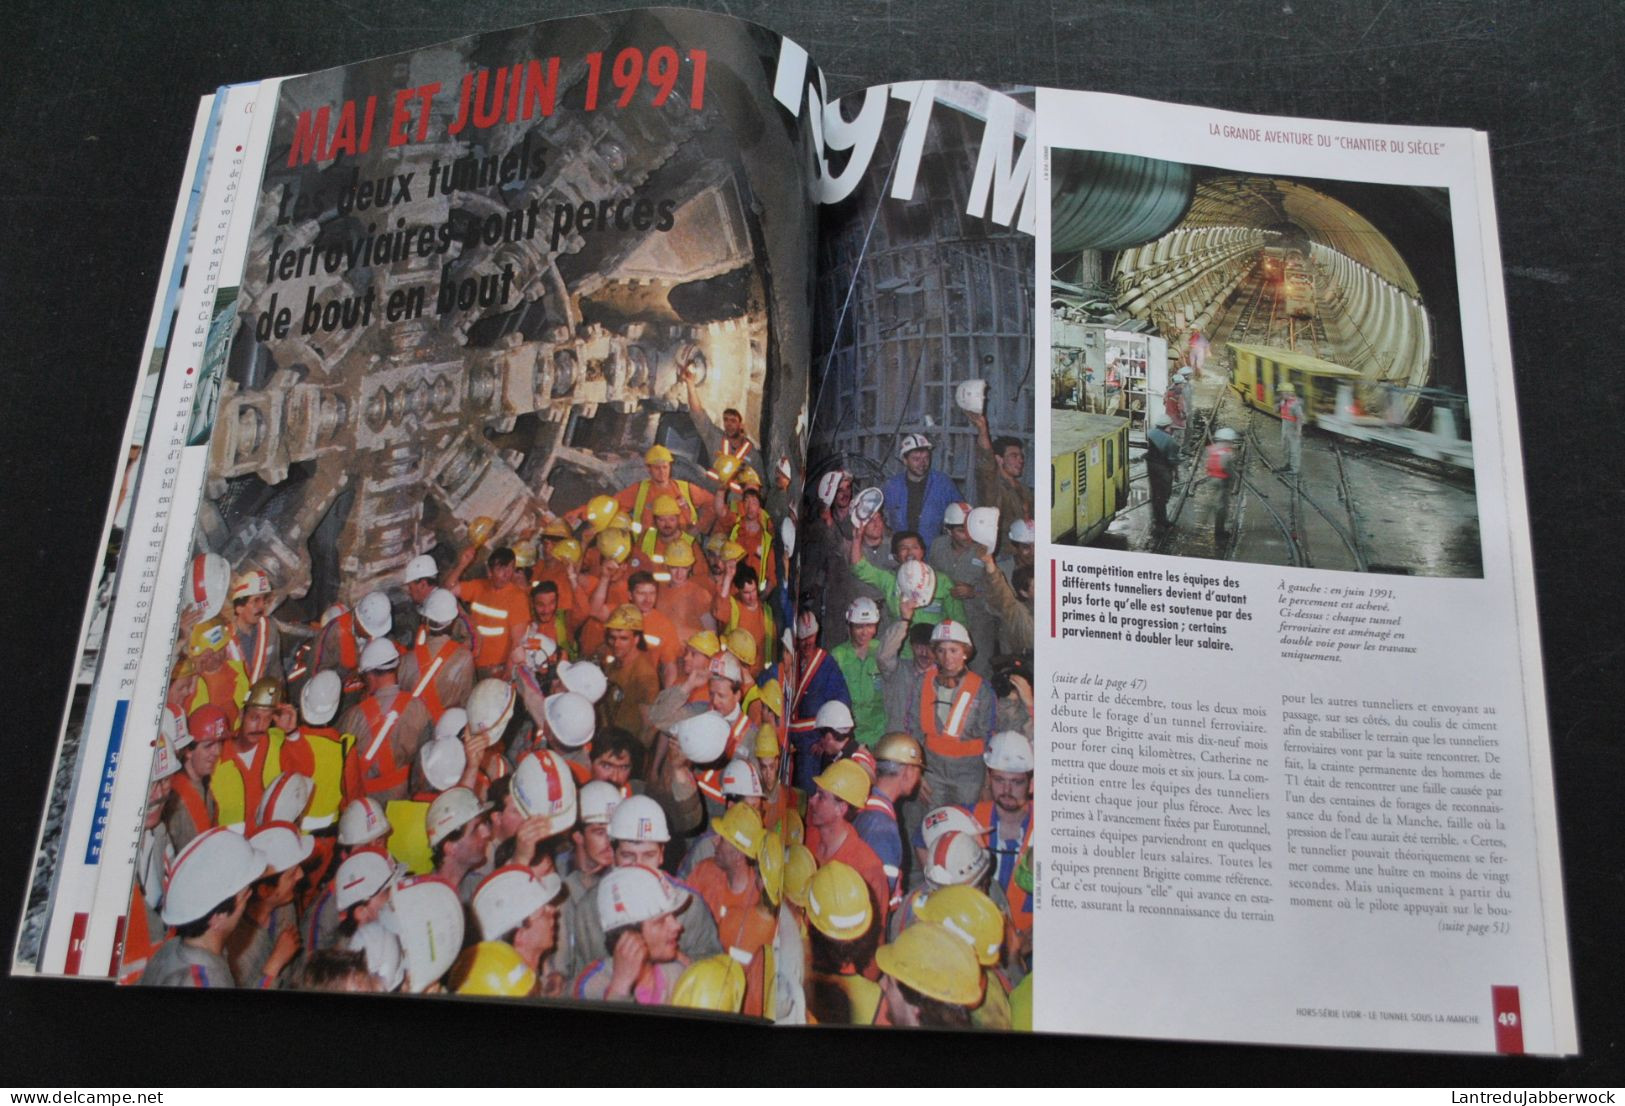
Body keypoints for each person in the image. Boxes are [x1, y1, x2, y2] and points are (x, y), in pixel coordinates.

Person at [574, 865, 692, 1005]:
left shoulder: (677, 973)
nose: (677, 926)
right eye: (660, 921)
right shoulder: (592, 985)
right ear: (629, 937)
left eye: (673, 916)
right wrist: (620, 988)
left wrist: (693, 972)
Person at [446, 545, 531, 679]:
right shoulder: (479, 586)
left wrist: (507, 674)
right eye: (501, 569)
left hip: (497, 668)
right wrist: (462, 564)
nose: (507, 574)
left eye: (510, 568)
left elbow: (517, 642)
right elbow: (448, 590)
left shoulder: (517, 597)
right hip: (473, 664)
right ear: (490, 572)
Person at [882, 433, 963, 546]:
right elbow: (876, 515)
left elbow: (961, 514)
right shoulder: (892, 486)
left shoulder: (943, 483)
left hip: (933, 552)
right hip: (902, 552)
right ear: (905, 460)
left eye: (926, 458)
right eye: (916, 459)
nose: (922, 463)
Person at [829, 597, 885, 748]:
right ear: (850, 626)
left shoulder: (882, 652)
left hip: (880, 734)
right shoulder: (837, 656)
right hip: (849, 735)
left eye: (870, 626)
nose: (864, 632)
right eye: (859, 626)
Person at [228, 570, 282, 683]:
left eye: (264, 600)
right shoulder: (225, 639)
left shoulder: (270, 629)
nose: (262, 606)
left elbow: (276, 670)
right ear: (239, 608)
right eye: (256, 601)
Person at [1200, 427, 1241, 548]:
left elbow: (1205, 463)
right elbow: (1226, 468)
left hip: (1211, 479)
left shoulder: (1210, 449)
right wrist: (1234, 477)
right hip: (1222, 482)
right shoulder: (1226, 454)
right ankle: (1219, 534)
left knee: (1211, 503)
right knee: (1222, 508)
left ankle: (1203, 522)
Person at [1146, 410, 1181, 529]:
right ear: (1167, 427)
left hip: (1151, 467)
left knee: (1155, 493)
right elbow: (1173, 460)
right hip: (1163, 470)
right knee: (1164, 494)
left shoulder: (1150, 433)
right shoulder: (1170, 441)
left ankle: (1157, 518)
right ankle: (1162, 520)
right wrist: (1176, 474)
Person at [1278, 380, 1305, 472]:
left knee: (1294, 450)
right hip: (1285, 427)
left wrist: (1299, 430)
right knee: (1285, 448)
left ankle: (1294, 469)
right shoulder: (1283, 402)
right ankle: (1288, 465)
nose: (1281, 394)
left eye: (1282, 392)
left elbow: (1300, 418)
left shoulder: (1295, 404)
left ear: (1288, 393)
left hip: (1292, 429)